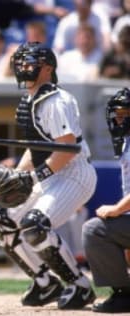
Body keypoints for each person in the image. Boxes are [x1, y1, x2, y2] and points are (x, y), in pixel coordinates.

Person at [0, 41, 97, 310]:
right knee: (2, 221)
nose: (24, 68)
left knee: (35, 225)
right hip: (50, 175)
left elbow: (67, 147)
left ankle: (79, 286)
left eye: (30, 63)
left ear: (48, 68)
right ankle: (45, 283)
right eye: (21, 63)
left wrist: (33, 178)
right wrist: (14, 175)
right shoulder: (29, 99)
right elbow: (35, 149)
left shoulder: (57, 100)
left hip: (74, 173)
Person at [82, 87, 130, 314]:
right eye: (117, 114)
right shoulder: (126, 143)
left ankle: (123, 294)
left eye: (124, 114)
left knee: (95, 230)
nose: (118, 120)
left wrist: (117, 209)